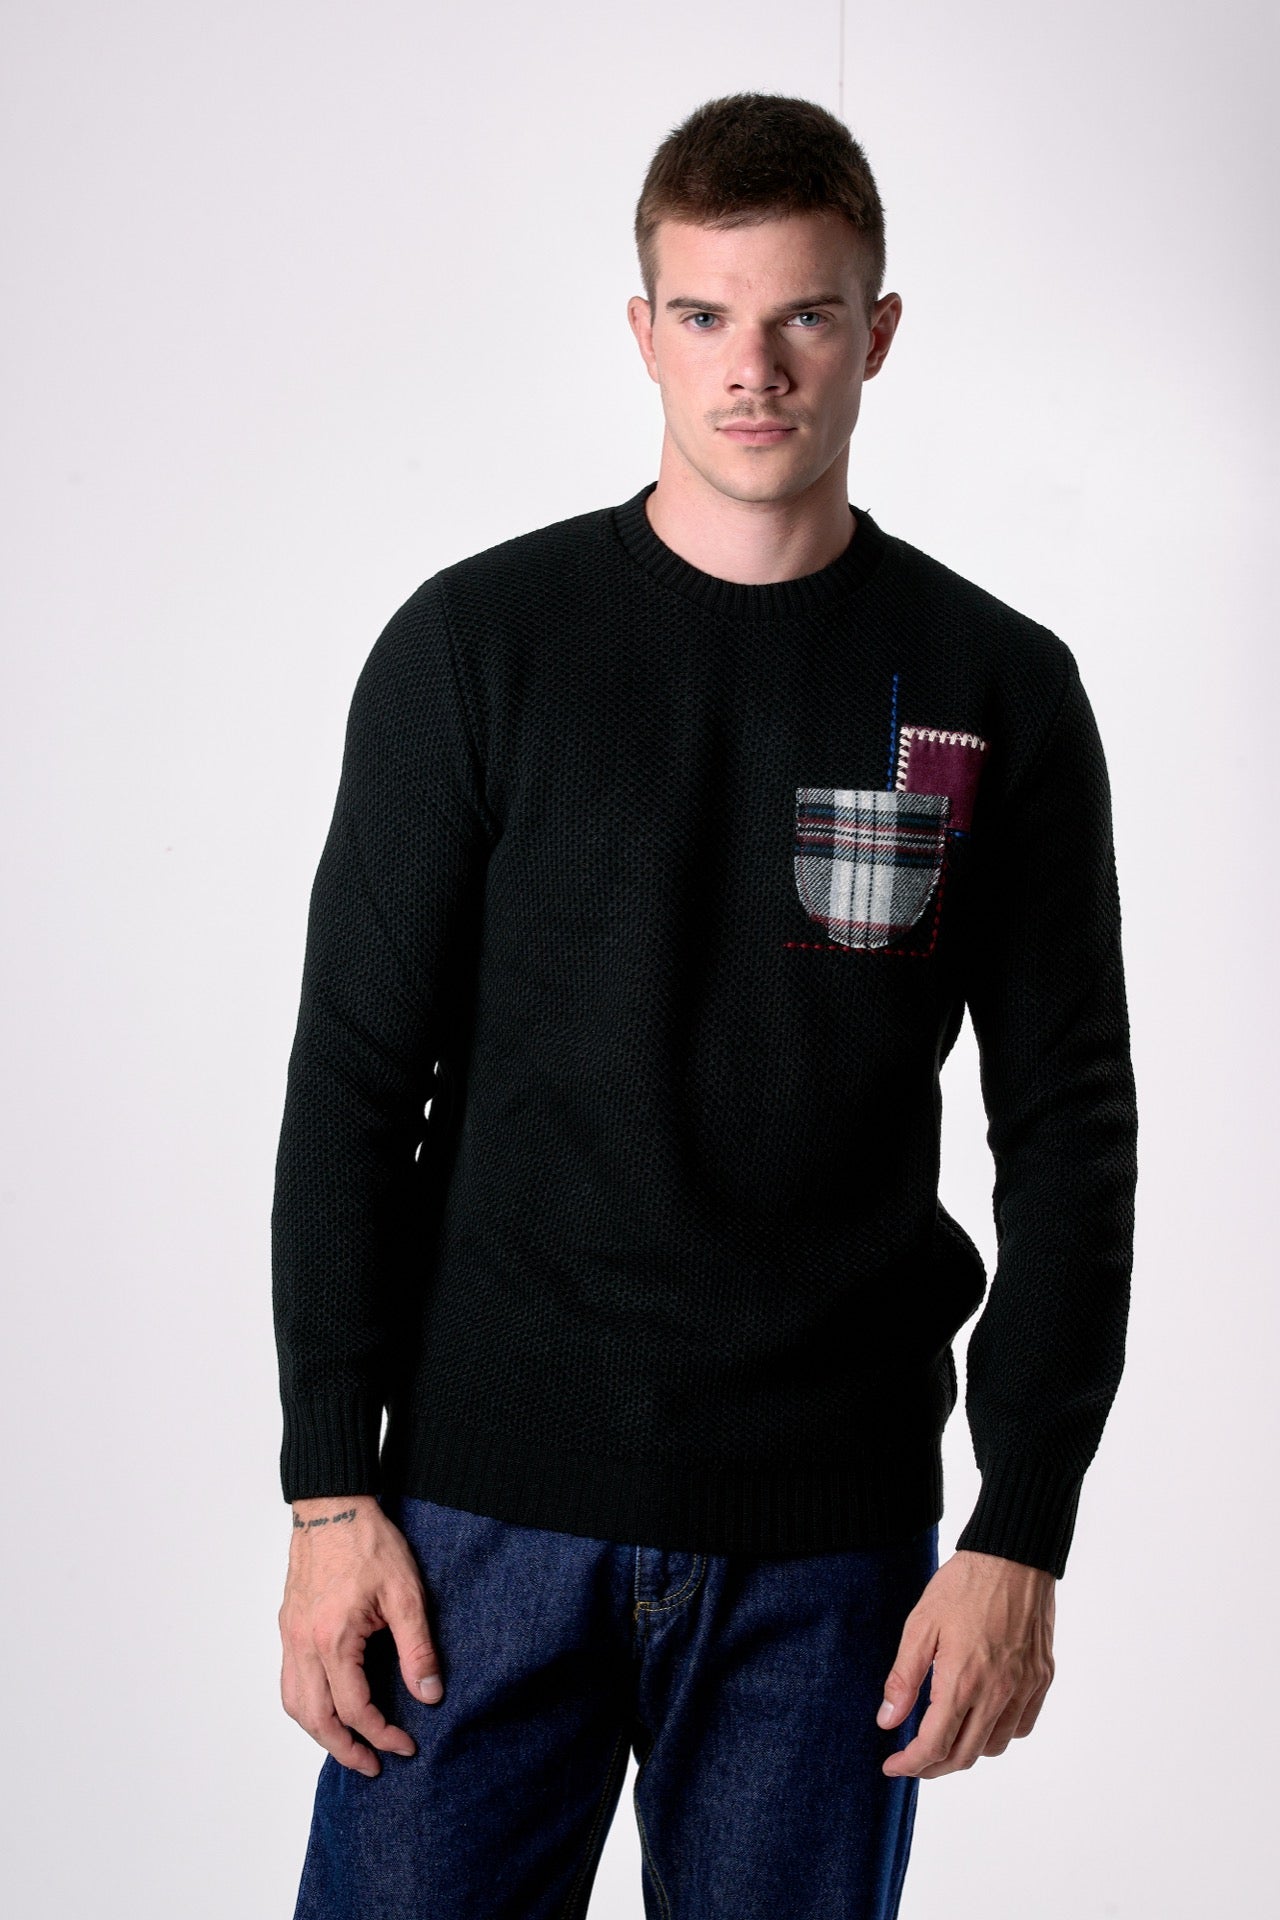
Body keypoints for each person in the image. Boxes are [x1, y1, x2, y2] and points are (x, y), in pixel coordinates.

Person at [272, 91, 1139, 1920]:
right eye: (706, 315)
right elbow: (352, 1082)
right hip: (477, 1526)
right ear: (644, 330)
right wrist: (330, 1496)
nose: (755, 368)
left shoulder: (994, 685)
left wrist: (1023, 1527)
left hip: (828, 1557)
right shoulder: (477, 650)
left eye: (805, 314)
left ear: (876, 333)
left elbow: (1071, 1129)